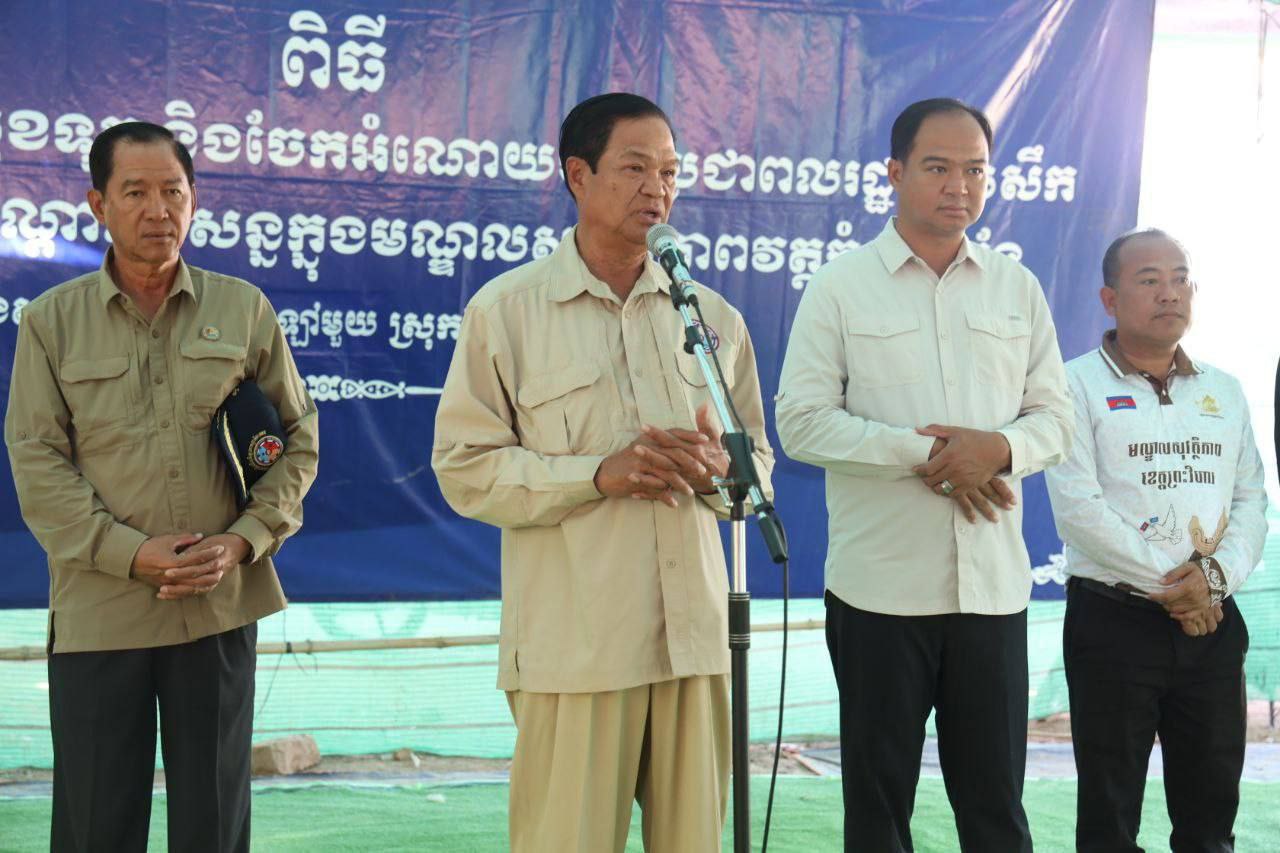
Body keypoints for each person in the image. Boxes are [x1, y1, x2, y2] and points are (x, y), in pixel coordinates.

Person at [431, 92, 773, 852]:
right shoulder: (507, 312)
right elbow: (464, 468)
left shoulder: (710, 319)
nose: (658, 188)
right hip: (578, 647)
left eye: (670, 171)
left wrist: (720, 469)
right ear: (578, 176)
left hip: (695, 642)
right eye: (635, 168)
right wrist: (596, 474)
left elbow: (759, 467)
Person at [4, 122, 319, 852]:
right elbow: (37, 461)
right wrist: (130, 553)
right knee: (95, 824)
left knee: (213, 822)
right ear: (98, 205)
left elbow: (297, 439)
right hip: (101, 609)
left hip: (216, 605)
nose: (158, 210)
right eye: (135, 192)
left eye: (173, 192)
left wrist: (244, 541)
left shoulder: (242, 309)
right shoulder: (51, 322)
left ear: (194, 200)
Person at [775, 97, 1073, 852]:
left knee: (996, 810)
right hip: (880, 591)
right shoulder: (840, 286)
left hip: (992, 592)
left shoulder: (1016, 288)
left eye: (975, 170)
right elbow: (801, 422)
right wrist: (931, 455)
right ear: (894, 172)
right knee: (879, 812)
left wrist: (998, 449)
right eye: (938, 167)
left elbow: (1056, 420)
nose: (959, 186)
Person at [1044, 228, 1266, 851]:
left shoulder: (1224, 389)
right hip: (1114, 625)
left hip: (1213, 624)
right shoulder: (1070, 385)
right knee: (1110, 816)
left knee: (1210, 815)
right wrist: (1178, 591)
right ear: (1109, 299)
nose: (1170, 293)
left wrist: (1212, 583)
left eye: (1180, 278)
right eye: (1149, 280)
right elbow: (1079, 510)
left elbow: (1251, 502)